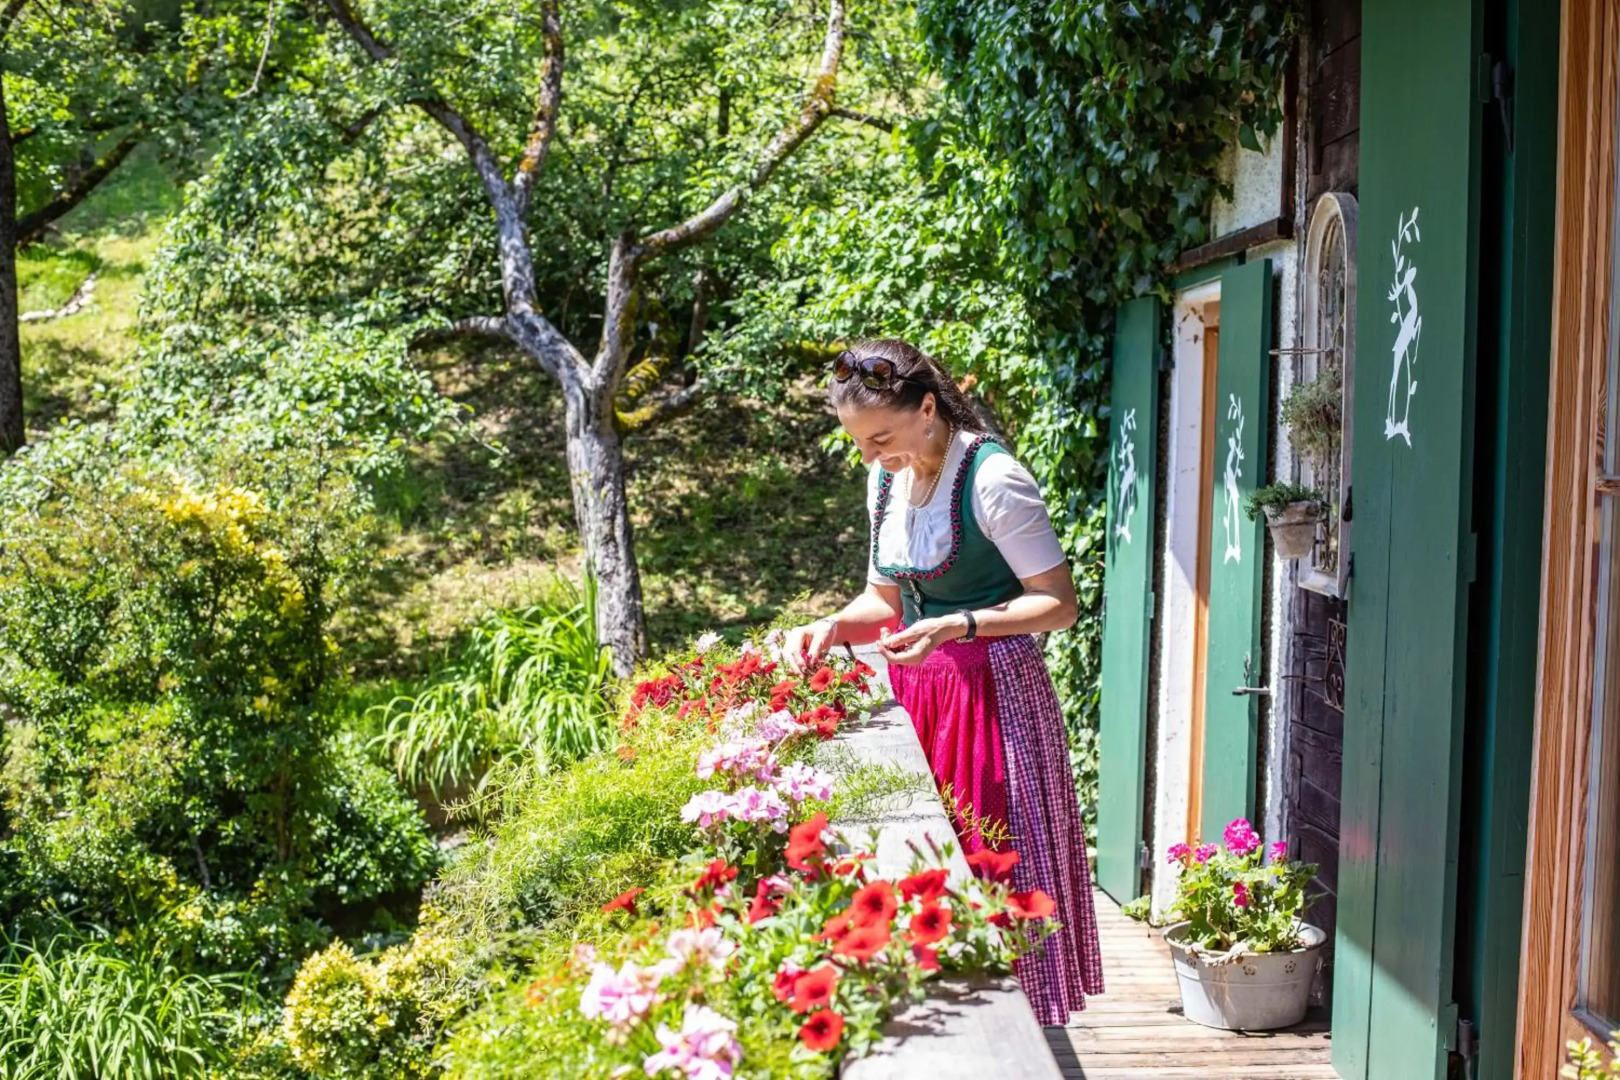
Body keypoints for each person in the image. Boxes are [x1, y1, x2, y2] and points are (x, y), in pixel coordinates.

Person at [784, 339, 1105, 1024]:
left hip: (992, 692)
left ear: (927, 407)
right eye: (860, 444)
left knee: (988, 856)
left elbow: (1058, 603)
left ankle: (1012, 1032)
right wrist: (832, 626)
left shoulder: (992, 479)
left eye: (881, 438)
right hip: (920, 692)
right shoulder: (886, 481)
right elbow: (885, 603)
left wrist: (958, 626)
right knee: (923, 861)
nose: (871, 458)